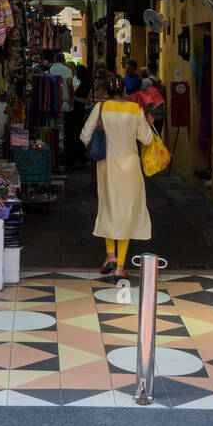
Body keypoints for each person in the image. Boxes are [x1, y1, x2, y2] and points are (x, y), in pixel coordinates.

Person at [80, 71, 154, 278]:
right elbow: (146, 140)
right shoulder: (134, 109)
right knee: (126, 213)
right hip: (130, 167)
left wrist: (99, 145)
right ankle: (120, 266)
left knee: (108, 208)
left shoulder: (101, 107)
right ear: (124, 90)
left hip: (107, 165)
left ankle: (110, 255)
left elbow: (85, 135)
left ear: (107, 90)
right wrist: (148, 122)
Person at [49, 51, 76, 162]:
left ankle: (55, 157)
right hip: (65, 104)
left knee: (54, 131)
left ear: (55, 60)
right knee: (67, 132)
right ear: (63, 60)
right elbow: (69, 84)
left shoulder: (50, 70)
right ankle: (67, 158)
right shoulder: (66, 70)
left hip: (52, 105)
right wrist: (71, 98)